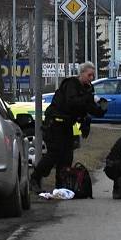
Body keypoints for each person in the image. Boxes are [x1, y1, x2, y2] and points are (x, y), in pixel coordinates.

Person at [30, 62, 107, 193]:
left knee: (67, 156)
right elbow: (72, 103)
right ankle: (35, 178)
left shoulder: (88, 89)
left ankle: (60, 185)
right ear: (81, 74)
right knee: (54, 154)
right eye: (89, 75)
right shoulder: (71, 84)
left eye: (93, 75)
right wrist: (90, 98)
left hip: (66, 125)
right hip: (55, 123)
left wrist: (101, 109)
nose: (91, 78)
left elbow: (88, 107)